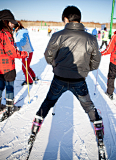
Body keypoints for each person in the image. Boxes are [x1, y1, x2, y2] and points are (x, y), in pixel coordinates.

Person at [28, 5, 104, 152]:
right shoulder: (91, 38)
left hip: (59, 79)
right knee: (88, 106)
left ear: (66, 19)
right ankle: (97, 123)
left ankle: (38, 120)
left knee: (49, 101)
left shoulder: (57, 35)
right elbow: (95, 63)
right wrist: (85, 69)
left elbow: (48, 56)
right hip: (79, 80)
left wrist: (56, 65)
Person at [0, 9, 29, 121]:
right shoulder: (5, 33)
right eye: (11, 22)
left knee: (0, 86)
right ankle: (10, 108)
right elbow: (11, 52)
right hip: (6, 66)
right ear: (6, 21)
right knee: (9, 87)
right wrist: (24, 54)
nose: (12, 24)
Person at [14, 21, 38, 85]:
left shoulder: (22, 33)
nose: (13, 29)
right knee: (27, 66)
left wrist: (14, 44)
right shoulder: (21, 32)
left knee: (24, 68)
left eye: (14, 28)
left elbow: (23, 42)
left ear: (17, 27)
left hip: (27, 52)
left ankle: (29, 81)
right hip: (26, 51)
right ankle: (33, 76)